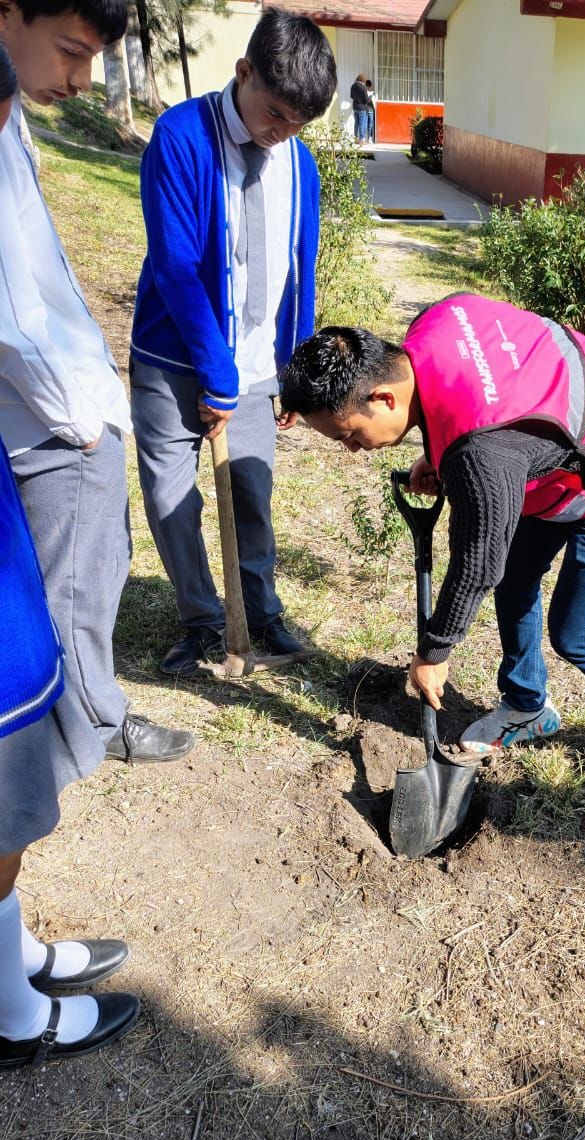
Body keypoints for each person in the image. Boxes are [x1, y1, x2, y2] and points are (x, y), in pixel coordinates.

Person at [278, 294, 585, 797]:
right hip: (563, 459)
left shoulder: (481, 453)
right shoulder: (434, 322)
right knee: (516, 583)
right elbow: (484, 411)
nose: (352, 449)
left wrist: (434, 650)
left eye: (351, 435)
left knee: (576, 633)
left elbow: (477, 562)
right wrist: (440, 453)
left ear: (383, 397)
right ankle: (527, 704)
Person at [0, 0, 194, 764]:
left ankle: (78, 714)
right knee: (76, 589)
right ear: (8, 12)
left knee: (90, 573)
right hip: (53, 419)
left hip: (61, 405)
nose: (81, 80)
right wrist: (77, 417)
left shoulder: (14, 118)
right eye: (71, 51)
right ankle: (86, 731)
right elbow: (11, 305)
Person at [0, 42, 139, 1071]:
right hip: (40, 443)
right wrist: (82, 420)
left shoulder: (11, 120)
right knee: (11, 745)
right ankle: (13, 1014)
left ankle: (9, 959)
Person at [130, 9, 337, 676]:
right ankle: (201, 619)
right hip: (173, 361)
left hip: (253, 371)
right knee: (172, 500)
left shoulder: (298, 165)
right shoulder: (181, 137)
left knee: (251, 493)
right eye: (274, 114)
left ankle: (259, 609)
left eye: (297, 125)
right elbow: (178, 266)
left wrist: (296, 371)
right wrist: (213, 376)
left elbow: (297, 272)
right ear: (243, 71)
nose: (280, 134)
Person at [350, 71, 369, 143]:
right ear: (363, 80)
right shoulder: (363, 87)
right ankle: (361, 140)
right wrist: (370, 97)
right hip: (362, 108)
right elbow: (366, 100)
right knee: (361, 123)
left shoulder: (353, 86)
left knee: (356, 123)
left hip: (355, 107)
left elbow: (351, 96)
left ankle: (355, 138)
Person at [364, 78, 376, 144]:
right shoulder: (372, 93)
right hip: (370, 110)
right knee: (370, 125)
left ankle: (366, 138)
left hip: (365, 110)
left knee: (365, 124)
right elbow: (374, 104)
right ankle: (369, 138)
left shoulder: (364, 93)